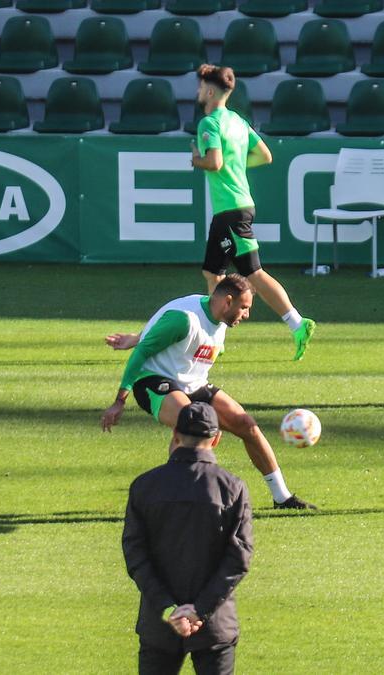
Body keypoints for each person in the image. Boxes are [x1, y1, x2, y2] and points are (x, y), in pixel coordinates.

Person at [101, 274, 316, 510]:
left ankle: (282, 498)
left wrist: (137, 337)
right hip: (153, 380)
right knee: (193, 425)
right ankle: (176, 498)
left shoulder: (221, 320)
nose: (247, 315)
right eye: (244, 307)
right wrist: (119, 401)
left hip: (193, 383)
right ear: (228, 301)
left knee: (247, 425)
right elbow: (142, 353)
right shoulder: (185, 319)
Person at [191, 64, 316, 362]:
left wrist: (196, 160)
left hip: (230, 208)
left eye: (201, 87)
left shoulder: (209, 123)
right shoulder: (237, 121)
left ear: (210, 91)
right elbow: (264, 155)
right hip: (234, 207)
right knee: (213, 273)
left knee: (254, 273)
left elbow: (214, 162)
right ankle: (216, 340)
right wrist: (236, 164)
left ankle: (297, 324)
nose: (198, 91)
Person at [123, 402, 252, 675]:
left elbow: (135, 555)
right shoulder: (232, 488)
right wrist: (200, 610)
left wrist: (168, 608)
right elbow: (238, 558)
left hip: (159, 624)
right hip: (215, 624)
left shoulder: (145, 485)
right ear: (216, 439)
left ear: (175, 435)